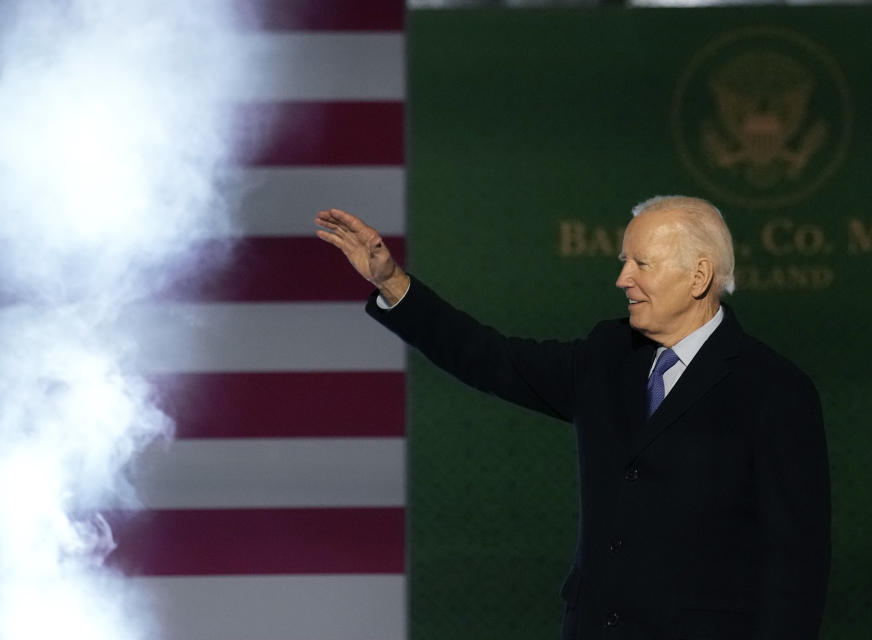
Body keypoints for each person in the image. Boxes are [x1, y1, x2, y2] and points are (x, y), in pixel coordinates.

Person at [314, 196, 830, 639]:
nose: (622, 278)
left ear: (698, 275)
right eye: (624, 260)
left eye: (641, 264)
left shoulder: (774, 391)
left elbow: (797, 569)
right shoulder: (608, 354)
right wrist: (392, 282)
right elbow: (491, 358)